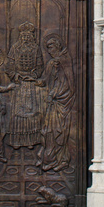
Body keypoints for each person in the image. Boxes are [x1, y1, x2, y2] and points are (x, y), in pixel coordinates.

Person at [37, 35, 75, 172]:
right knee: (48, 131)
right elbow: (46, 80)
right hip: (53, 102)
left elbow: (68, 84)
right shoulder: (52, 63)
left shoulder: (64, 61)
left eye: (51, 47)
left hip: (61, 102)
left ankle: (61, 160)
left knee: (58, 132)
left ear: (58, 46)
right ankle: (48, 158)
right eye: (47, 48)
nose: (49, 51)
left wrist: (56, 94)